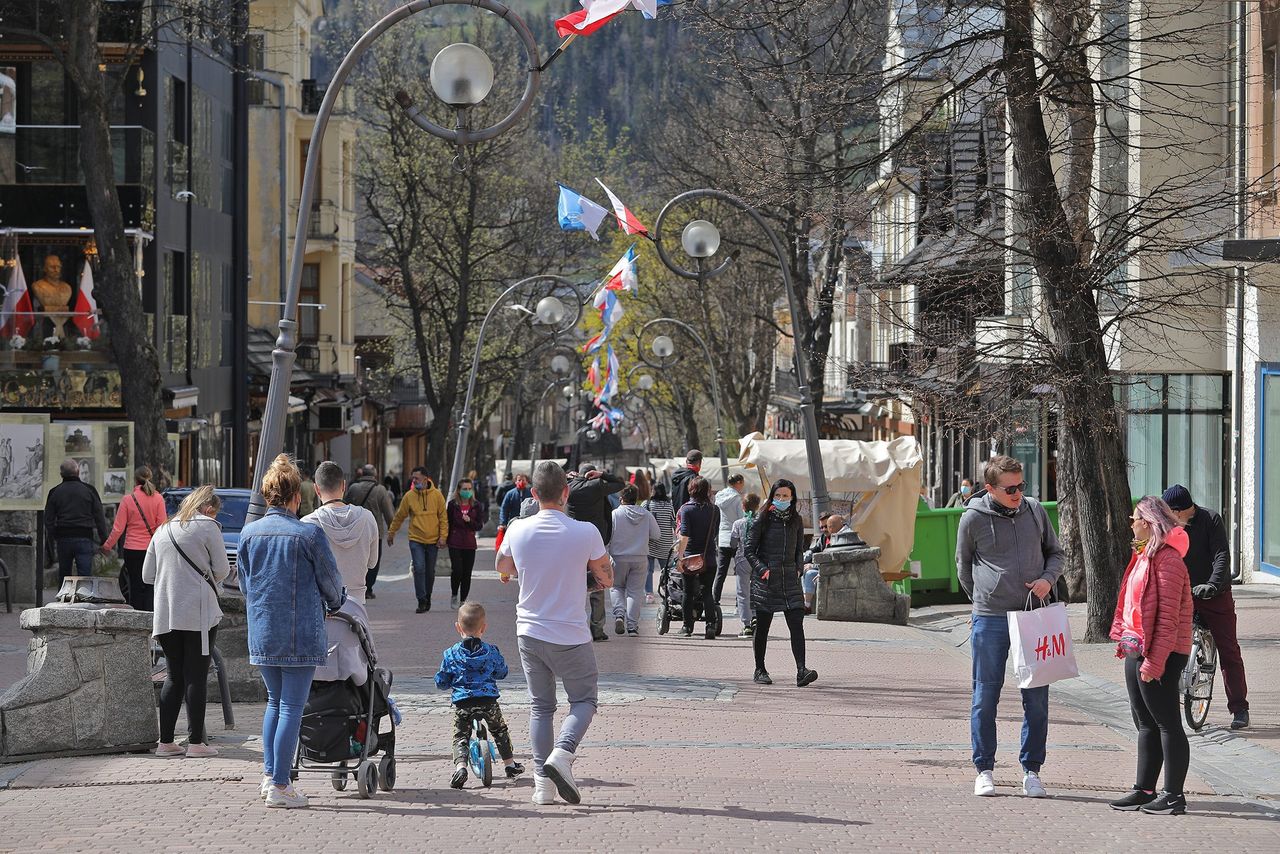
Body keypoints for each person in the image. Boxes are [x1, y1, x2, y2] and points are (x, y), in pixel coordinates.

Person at [496, 460, 612, 806]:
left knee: (541, 707)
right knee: (584, 700)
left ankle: (542, 787)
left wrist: (527, 568)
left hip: (529, 630)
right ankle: (563, 753)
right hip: (570, 632)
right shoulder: (585, 531)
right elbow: (606, 578)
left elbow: (503, 567)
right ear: (566, 492)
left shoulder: (518, 529)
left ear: (533, 493)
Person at [237, 455, 345, 809]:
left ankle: (270, 775)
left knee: (274, 701)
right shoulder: (308, 533)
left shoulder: (249, 533)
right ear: (296, 496)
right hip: (300, 632)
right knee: (292, 708)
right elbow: (331, 583)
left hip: (264, 629)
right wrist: (337, 601)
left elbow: (245, 584)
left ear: (268, 495)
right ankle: (281, 786)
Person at [956, 454, 1064, 799]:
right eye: (1010, 488)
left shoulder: (1035, 511)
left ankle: (1032, 771)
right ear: (990, 488)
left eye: (1021, 485)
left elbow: (1056, 553)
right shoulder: (972, 518)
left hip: (1034, 615)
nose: (1018, 492)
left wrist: (1048, 579)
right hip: (990, 619)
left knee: (1036, 698)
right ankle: (984, 769)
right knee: (985, 695)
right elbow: (963, 566)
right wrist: (986, 596)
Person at [1108, 497, 1194, 816]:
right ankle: (1144, 790)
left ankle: (1174, 796)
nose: (1131, 523)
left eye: (1135, 518)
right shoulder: (1143, 555)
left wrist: (1153, 662)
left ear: (1148, 522)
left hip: (1163, 652)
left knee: (1167, 722)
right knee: (1145, 722)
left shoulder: (1168, 560)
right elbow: (1131, 603)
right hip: (1137, 646)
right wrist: (1124, 639)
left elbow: (1168, 619)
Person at [144, 485, 229, 759]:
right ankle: (196, 743)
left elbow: (147, 575)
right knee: (196, 676)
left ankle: (166, 742)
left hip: (167, 613)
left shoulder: (163, 529)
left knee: (174, 676)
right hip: (199, 613)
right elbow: (223, 570)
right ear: (208, 508)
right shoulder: (208, 527)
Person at [1160, 484, 1249, 730]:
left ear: (1179, 511)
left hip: (1214, 595)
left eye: (1169, 512)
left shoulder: (1210, 520)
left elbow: (1221, 556)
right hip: (1183, 594)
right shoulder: (1169, 528)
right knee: (1168, 644)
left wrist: (1212, 584)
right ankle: (1166, 701)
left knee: (1229, 650)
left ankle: (1239, 708)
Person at [436, 602, 525, 788]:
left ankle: (460, 767)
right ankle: (510, 765)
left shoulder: (451, 654)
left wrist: (445, 683)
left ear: (458, 627)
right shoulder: (491, 651)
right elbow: (502, 672)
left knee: (461, 735)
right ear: (483, 628)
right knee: (499, 730)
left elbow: (442, 680)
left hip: (463, 702)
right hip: (488, 701)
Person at [745, 479, 816, 686]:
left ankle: (802, 670)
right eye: (778, 496)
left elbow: (799, 550)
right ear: (772, 497)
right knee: (763, 627)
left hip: (789, 580)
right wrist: (762, 569)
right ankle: (760, 669)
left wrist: (799, 567)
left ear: (792, 497)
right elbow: (749, 550)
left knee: (796, 624)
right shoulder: (763, 518)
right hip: (766, 580)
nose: (781, 499)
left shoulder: (796, 520)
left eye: (785, 496)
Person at [304, 462, 379, 604]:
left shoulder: (307, 524)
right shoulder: (368, 518)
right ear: (344, 486)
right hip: (357, 603)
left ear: (316, 489)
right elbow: (372, 563)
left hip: (322, 604)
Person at [566, 463, 626, 642]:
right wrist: (603, 474)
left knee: (573, 585)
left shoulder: (568, 488)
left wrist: (570, 477)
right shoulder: (597, 485)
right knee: (598, 584)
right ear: (592, 474)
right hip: (595, 541)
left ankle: (574, 627)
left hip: (573, 542)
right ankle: (597, 629)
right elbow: (620, 483)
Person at [102, 465, 166, 611]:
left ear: (135, 480)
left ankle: (136, 615)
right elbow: (161, 527)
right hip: (152, 549)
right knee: (151, 584)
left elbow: (118, 529)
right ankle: (150, 616)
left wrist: (107, 546)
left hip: (132, 549)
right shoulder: (158, 499)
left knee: (135, 585)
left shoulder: (127, 500)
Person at [388, 466, 448, 613]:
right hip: (416, 539)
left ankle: (428, 596)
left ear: (426, 479)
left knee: (430, 571)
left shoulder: (437, 495)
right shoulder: (409, 496)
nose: (414, 481)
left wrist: (443, 537)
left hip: (433, 540)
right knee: (419, 568)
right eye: (413, 478)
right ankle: (421, 600)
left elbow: (443, 518)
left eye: (417, 478)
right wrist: (391, 532)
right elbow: (399, 516)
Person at [44, 458, 109, 581]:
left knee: (64, 577)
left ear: (61, 474)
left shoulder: (54, 492)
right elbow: (99, 517)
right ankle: (83, 598)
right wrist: (104, 540)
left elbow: (48, 520)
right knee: (85, 577)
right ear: (78, 472)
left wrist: (55, 537)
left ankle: (64, 599)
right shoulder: (89, 490)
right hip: (84, 537)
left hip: (63, 538)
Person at [608, 484, 660, 636]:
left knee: (616, 587)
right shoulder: (646, 514)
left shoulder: (615, 514)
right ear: (636, 499)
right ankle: (632, 627)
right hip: (640, 557)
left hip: (618, 557)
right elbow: (656, 534)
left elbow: (607, 535)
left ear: (621, 498)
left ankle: (619, 615)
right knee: (635, 592)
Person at [674, 476, 721, 640]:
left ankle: (687, 626)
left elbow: (684, 536)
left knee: (687, 592)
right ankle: (710, 625)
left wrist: (679, 557)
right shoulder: (715, 510)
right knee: (707, 592)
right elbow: (715, 533)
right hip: (709, 557)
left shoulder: (686, 509)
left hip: (690, 557)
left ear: (691, 489)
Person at [343, 464, 396, 600]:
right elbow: (389, 513)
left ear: (362, 474)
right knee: (373, 560)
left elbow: (344, 506)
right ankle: (368, 588)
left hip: (355, 530)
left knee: (357, 558)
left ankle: (356, 586)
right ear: (375, 475)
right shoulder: (380, 490)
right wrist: (391, 532)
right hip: (375, 531)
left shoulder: (354, 488)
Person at [802, 514, 861, 613]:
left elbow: (835, 560)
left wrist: (817, 569)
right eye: (822, 527)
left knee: (809, 573)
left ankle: (806, 605)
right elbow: (813, 551)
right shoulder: (824, 538)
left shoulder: (844, 537)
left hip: (839, 572)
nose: (825, 529)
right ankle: (805, 604)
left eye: (828, 526)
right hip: (828, 568)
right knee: (804, 570)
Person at [446, 478, 487, 609]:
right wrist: (444, 538)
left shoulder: (476, 505)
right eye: (464, 489)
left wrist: (469, 521)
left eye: (469, 489)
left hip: (469, 543)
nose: (467, 491)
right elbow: (447, 522)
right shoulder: (453, 505)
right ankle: (454, 594)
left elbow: (479, 526)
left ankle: (463, 600)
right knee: (457, 570)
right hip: (455, 542)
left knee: (466, 573)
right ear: (459, 490)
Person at [728, 493, 761, 637]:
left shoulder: (738, 523)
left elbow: (733, 543)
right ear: (757, 507)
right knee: (757, 590)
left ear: (743, 506)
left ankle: (746, 624)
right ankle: (756, 617)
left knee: (743, 592)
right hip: (758, 560)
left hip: (742, 559)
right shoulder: (761, 523)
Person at [713, 473, 746, 611]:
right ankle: (739, 602)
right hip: (735, 537)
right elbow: (740, 518)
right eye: (742, 483)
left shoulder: (719, 496)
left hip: (722, 536)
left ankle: (715, 599)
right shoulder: (737, 498)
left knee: (721, 571)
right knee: (739, 571)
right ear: (738, 483)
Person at [643, 482, 676, 605]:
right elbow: (674, 523)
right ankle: (668, 592)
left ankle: (649, 594)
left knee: (648, 570)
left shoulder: (647, 504)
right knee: (666, 570)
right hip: (665, 543)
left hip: (650, 542)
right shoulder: (669, 506)